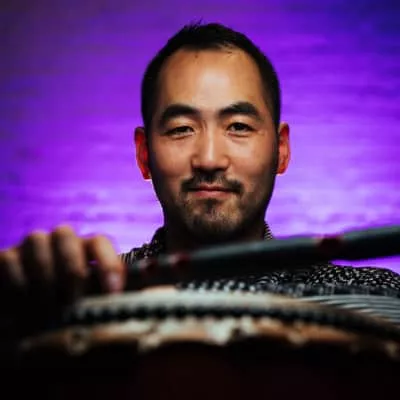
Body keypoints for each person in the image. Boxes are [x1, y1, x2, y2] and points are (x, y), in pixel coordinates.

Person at [1, 23, 399, 326]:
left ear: (281, 150)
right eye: (181, 129)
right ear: (143, 154)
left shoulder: (379, 301)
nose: (209, 158)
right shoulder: (81, 296)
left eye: (238, 126)